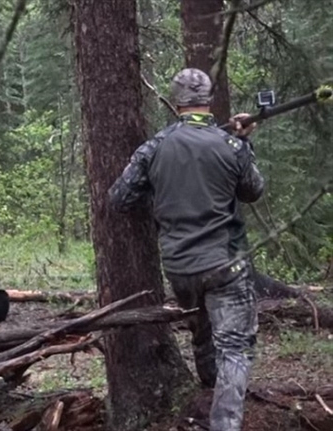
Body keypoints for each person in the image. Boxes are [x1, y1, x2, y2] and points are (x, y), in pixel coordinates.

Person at [108, 68, 264, 431]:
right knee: (235, 348)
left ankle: (207, 392)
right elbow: (252, 190)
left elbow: (119, 198)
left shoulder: (155, 147)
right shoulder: (231, 146)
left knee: (203, 332)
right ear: (208, 100)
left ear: (176, 101)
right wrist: (243, 143)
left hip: (179, 267)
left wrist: (164, 193)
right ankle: (224, 423)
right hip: (227, 264)